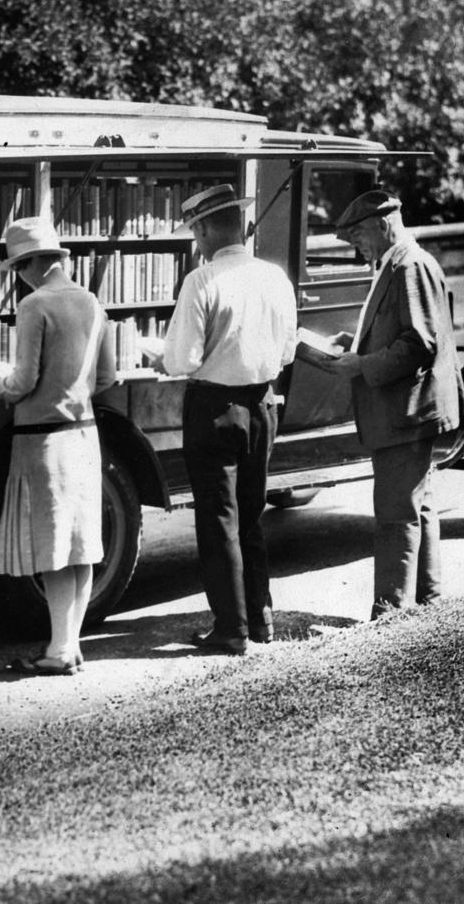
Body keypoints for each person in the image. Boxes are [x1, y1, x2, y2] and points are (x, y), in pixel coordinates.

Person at [158, 184, 297, 656]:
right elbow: (287, 351)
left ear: (201, 229)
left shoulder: (201, 281)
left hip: (215, 408)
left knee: (219, 520)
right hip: (262, 405)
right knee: (251, 514)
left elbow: (183, 359)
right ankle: (261, 618)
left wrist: (159, 353)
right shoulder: (275, 277)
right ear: (240, 224)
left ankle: (231, 629)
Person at [0, 216, 116, 675]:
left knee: (54, 547)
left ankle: (59, 651)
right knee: (80, 545)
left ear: (37, 263)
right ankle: (70, 644)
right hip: (84, 434)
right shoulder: (92, 302)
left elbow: (22, 382)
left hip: (43, 442)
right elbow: (107, 378)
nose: (19, 276)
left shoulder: (35, 306)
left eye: (20, 267)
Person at [322, 190, 464, 619]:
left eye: (358, 236)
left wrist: (361, 364)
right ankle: (427, 599)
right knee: (416, 505)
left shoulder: (409, 265)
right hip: (408, 409)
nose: (356, 247)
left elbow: (419, 344)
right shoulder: (399, 263)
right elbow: (402, 331)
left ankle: (391, 613)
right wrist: (358, 343)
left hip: (407, 411)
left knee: (394, 512)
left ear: (382, 225)